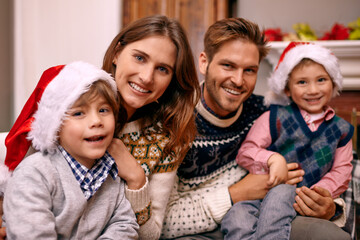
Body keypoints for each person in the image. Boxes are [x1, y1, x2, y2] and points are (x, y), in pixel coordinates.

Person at [161, 18, 353, 240]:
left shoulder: (266, 111)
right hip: (200, 228)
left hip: (270, 213)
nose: (238, 80)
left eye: (250, 70)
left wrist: (332, 208)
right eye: (228, 65)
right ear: (204, 62)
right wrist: (236, 194)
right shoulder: (173, 119)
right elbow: (161, 222)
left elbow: (321, 156)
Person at [223, 41, 354, 240]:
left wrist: (319, 192)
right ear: (287, 89)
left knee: (281, 194)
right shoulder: (274, 117)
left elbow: (341, 171)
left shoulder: (342, 130)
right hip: (260, 193)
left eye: (321, 80)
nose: (313, 90)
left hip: (299, 197)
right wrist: (273, 159)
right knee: (236, 218)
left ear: (333, 82)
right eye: (302, 82)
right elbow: (247, 151)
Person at [1, 61, 139, 239]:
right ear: (55, 126)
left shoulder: (111, 174)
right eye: (79, 113)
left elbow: (125, 225)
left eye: (104, 110)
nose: (96, 121)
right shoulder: (34, 174)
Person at [101, 15, 201, 240]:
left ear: (172, 80)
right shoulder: (74, 99)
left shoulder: (166, 139)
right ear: (117, 53)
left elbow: (151, 235)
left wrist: (137, 179)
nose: (147, 77)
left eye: (163, 69)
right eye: (139, 58)